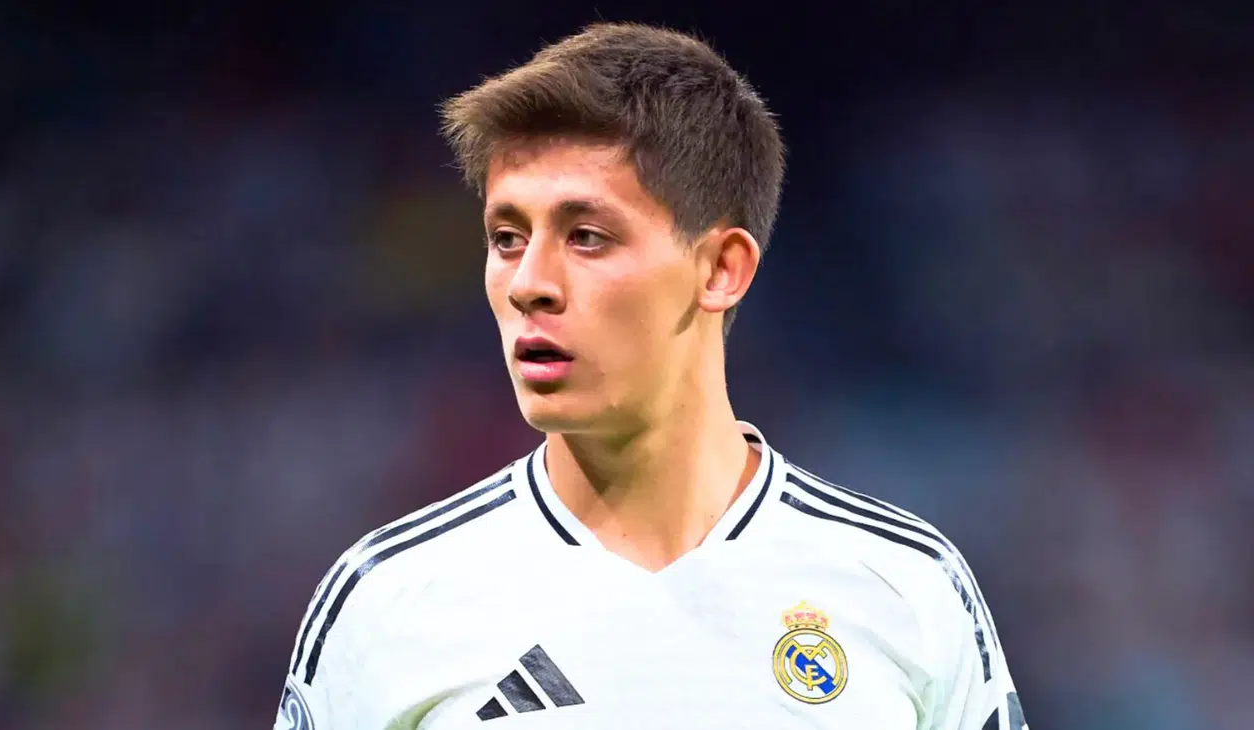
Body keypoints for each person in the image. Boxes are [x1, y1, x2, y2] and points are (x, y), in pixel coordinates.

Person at [274, 21, 1027, 730]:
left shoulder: (906, 588)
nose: (529, 283)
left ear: (721, 269)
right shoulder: (389, 601)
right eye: (506, 237)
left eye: (586, 236)